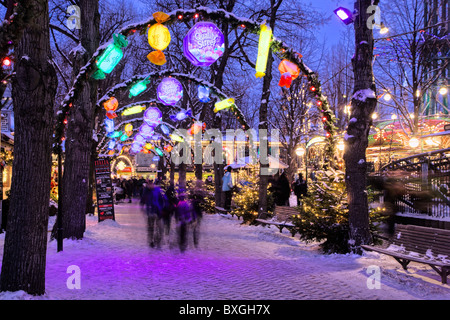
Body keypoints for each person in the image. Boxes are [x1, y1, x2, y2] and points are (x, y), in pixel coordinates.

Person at [140, 180, 166, 248]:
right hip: (150, 212)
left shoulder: (157, 191)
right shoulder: (146, 191)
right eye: (149, 184)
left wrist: (161, 208)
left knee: (158, 227)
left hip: (157, 212)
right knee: (151, 227)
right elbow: (143, 200)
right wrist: (142, 207)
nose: (150, 185)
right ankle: (151, 241)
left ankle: (157, 239)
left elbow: (162, 200)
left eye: (151, 184)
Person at [189, 179, 206, 247]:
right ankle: (195, 240)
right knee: (196, 226)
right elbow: (203, 202)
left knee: (195, 226)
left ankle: (195, 239)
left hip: (195, 211)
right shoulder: (201, 193)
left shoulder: (194, 192)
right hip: (196, 211)